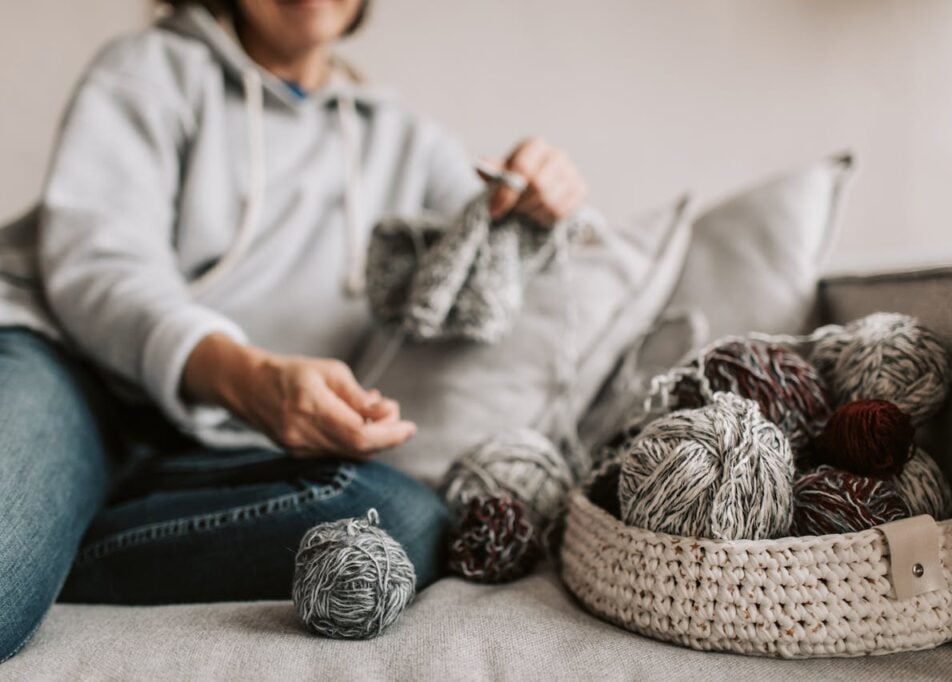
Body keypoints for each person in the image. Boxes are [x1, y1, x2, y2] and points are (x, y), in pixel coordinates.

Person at [0, 0, 587, 661]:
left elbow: (504, 246)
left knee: (400, 520)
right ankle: (35, 521)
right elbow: (100, 268)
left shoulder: (401, 140)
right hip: (65, 370)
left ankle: (49, 528)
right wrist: (247, 377)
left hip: (207, 448)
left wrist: (542, 199)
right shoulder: (151, 69)